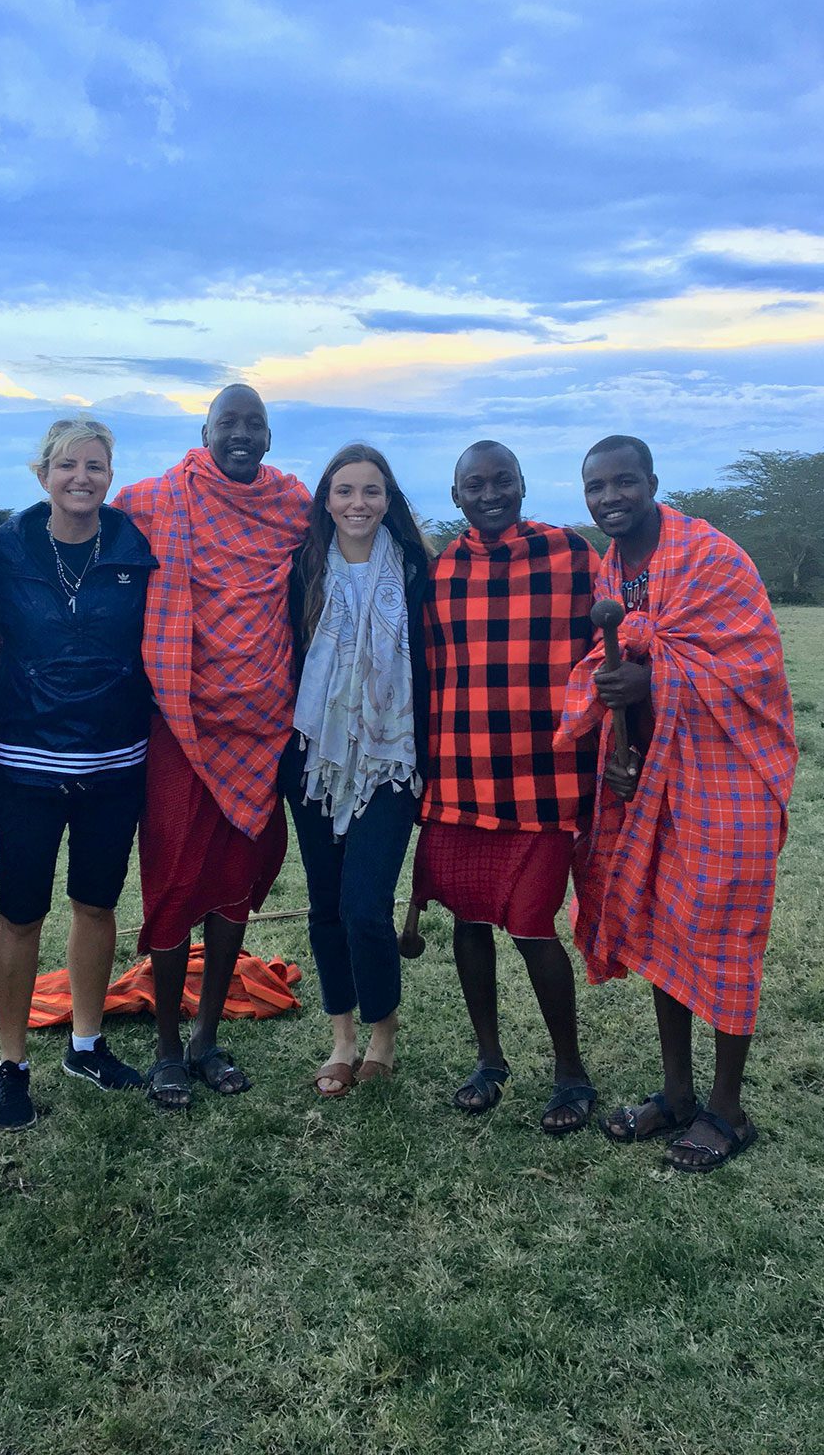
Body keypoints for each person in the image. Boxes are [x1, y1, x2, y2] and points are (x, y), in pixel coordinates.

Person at [557, 435, 797, 1172]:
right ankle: (678, 1095)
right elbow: (631, 657)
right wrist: (624, 748)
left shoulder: (711, 558)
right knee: (665, 929)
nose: (610, 499)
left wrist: (654, 686)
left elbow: (752, 673)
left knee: (722, 936)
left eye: (623, 483)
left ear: (652, 483)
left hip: (730, 778)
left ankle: (728, 1112)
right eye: (597, 488)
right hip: (657, 776)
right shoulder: (616, 564)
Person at [114, 383, 312, 1109]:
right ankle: (167, 1047)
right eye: (228, 421)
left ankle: (205, 1038)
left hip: (262, 723)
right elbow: (81, 522)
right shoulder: (156, 499)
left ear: (269, 437)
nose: (240, 433)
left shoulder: (293, 506)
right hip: (178, 722)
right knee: (170, 881)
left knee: (235, 881)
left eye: (253, 423)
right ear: (204, 430)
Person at [411, 440, 601, 1132]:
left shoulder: (571, 555)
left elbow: (609, 645)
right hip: (459, 775)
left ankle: (571, 1072)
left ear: (522, 484)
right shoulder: (439, 573)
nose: (490, 494)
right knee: (469, 920)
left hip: (546, 778)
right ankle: (489, 1059)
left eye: (502, 481)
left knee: (531, 926)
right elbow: (425, 674)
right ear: (456, 496)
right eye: (475, 484)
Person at [0, 418, 157, 1130]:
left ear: (110, 474)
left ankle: (87, 1045)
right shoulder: (3, 547)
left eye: (95, 465)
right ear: (42, 473)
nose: (81, 477)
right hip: (24, 760)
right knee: (21, 912)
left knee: (96, 904)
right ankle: (13, 1063)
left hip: (115, 759)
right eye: (66, 465)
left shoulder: (135, 547)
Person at [282, 444, 430, 1097]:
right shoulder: (301, 570)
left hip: (392, 761)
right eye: (345, 491)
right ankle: (342, 1037)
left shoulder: (418, 573)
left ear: (389, 500)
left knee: (366, 907)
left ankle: (382, 1035)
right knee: (326, 906)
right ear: (326, 501)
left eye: (371, 491)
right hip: (315, 762)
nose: (358, 503)